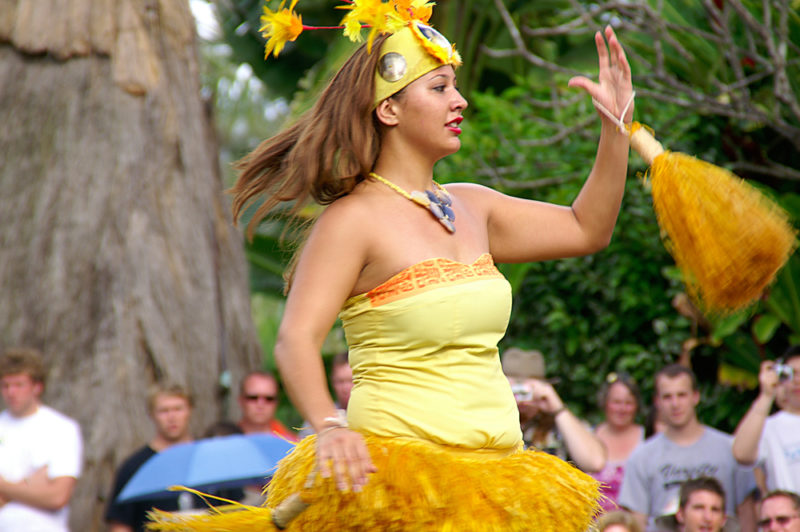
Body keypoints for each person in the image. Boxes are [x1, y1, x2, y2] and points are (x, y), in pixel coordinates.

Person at [150, 1, 634, 529]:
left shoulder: (476, 205)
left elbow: (589, 228)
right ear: (389, 110)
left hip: (498, 483)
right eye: (440, 88)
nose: (461, 100)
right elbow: (296, 339)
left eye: (455, 86)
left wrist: (615, 130)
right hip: (397, 490)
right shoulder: (352, 221)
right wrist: (329, 428)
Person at [618, 364, 757, 532]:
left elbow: (746, 510)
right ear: (657, 402)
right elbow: (636, 521)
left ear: (696, 396)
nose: (675, 404)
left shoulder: (729, 449)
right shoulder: (641, 457)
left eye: (682, 395)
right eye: (667, 397)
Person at [0, 347, 83, 532]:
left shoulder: (61, 428)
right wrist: (30, 484)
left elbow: (57, 497)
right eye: (5, 385)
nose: (11, 392)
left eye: (19, 385)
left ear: (37, 387)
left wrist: (4, 487)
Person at [106, 382, 199, 531]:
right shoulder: (136, 467)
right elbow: (121, 524)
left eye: (178, 409)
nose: (172, 417)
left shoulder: (208, 459)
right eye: (164, 411)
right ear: (151, 414)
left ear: (190, 410)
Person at [501, 347, 606, 472]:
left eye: (527, 390)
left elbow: (595, 463)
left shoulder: (560, 425)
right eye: (516, 390)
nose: (522, 397)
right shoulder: (489, 420)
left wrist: (557, 407)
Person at [732, 346, 800, 492]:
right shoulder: (769, 427)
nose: (797, 381)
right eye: (791, 374)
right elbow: (741, 454)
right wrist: (766, 395)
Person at [592, 372, 645, 512]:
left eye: (628, 403)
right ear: (605, 403)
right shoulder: (589, 436)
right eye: (616, 402)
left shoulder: (648, 438)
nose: (622, 409)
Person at [298, 351, 353, 439]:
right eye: (340, 381)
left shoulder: (377, 416)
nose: (345, 388)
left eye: (351, 381)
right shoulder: (318, 419)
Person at [237, 370, 298, 441]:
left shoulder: (293, 444)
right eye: (253, 398)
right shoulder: (225, 440)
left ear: (277, 402)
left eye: (269, 399)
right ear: (240, 400)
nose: (260, 405)